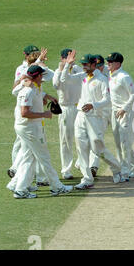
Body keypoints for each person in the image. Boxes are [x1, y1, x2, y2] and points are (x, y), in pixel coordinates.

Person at [7, 65, 73, 199]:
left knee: (28, 157)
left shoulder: (34, 87)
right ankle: (57, 187)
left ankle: (17, 186)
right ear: (37, 76)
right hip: (30, 128)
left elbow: (36, 92)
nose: (43, 77)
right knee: (44, 157)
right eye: (41, 75)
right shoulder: (28, 91)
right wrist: (44, 114)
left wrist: (48, 96)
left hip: (28, 127)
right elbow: (25, 113)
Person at [61, 51, 122, 189]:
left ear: (94, 64)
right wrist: (68, 65)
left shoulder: (102, 79)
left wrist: (93, 105)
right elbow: (64, 79)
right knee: (81, 147)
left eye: (86, 64)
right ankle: (87, 179)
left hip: (95, 117)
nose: (84, 66)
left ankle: (117, 168)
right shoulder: (82, 76)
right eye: (82, 64)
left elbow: (107, 99)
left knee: (97, 147)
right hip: (80, 116)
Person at [106, 52, 134, 181]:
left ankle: (125, 171)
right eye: (108, 61)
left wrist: (124, 108)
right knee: (118, 143)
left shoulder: (124, 76)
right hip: (114, 111)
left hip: (126, 113)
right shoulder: (110, 73)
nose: (108, 64)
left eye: (110, 62)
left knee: (124, 143)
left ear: (118, 64)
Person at [52, 48, 83, 180]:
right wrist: (62, 69)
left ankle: (81, 162)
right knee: (66, 140)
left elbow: (73, 79)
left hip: (79, 107)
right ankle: (66, 170)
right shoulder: (58, 72)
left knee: (82, 137)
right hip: (65, 109)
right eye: (67, 58)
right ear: (62, 58)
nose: (70, 60)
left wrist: (68, 67)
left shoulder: (78, 70)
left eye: (72, 58)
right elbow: (57, 84)